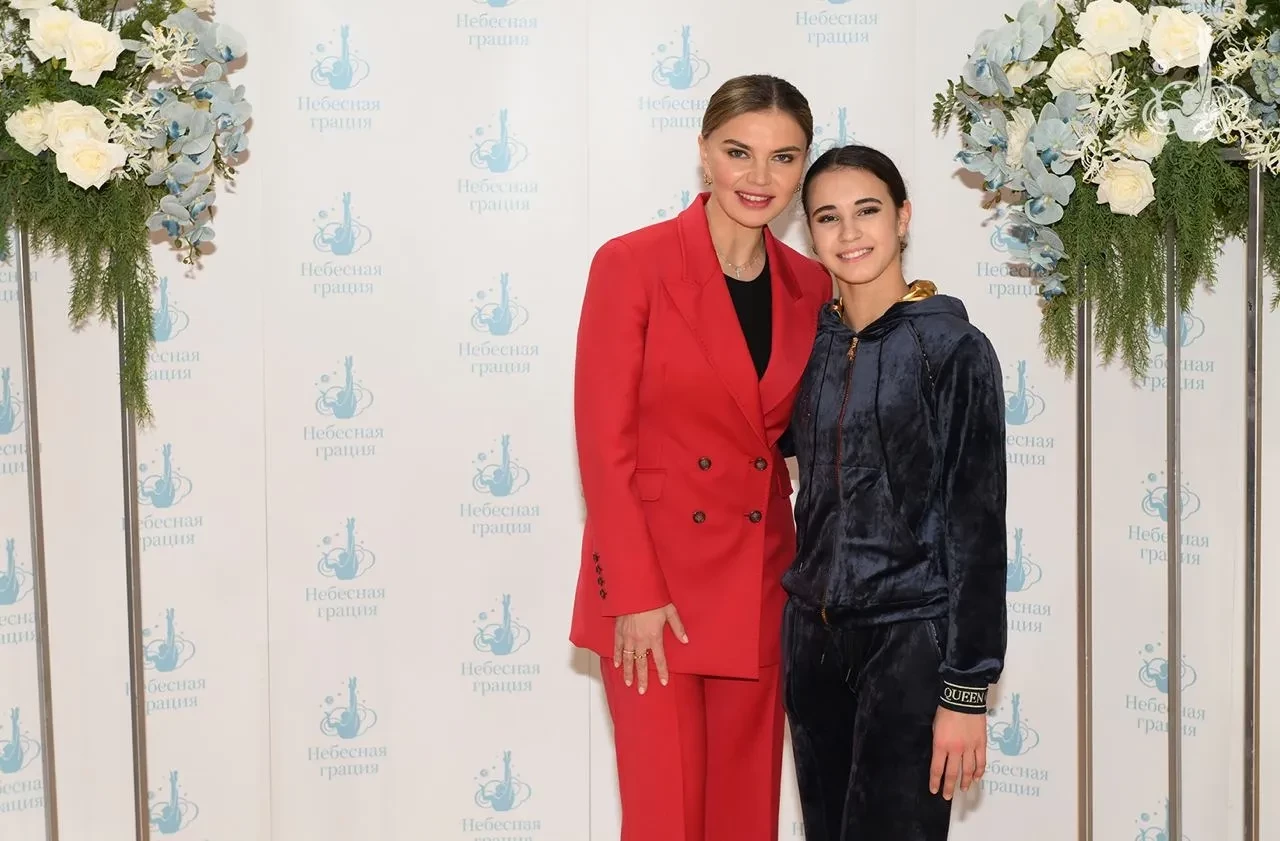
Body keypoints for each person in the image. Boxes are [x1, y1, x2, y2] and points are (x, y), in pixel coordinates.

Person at [568, 74, 833, 841]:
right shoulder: (633, 263)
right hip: (655, 590)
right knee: (666, 818)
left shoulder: (811, 284)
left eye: (783, 157)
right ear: (704, 153)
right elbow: (604, 447)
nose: (760, 177)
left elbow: (806, 429)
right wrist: (634, 592)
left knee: (745, 818)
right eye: (738, 152)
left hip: (759, 583)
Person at [781, 144, 1009, 841]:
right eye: (828, 217)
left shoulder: (954, 348)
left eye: (867, 210)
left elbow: (977, 528)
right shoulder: (807, 347)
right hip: (812, 643)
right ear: (810, 233)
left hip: (911, 643)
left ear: (903, 217)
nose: (849, 233)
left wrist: (966, 690)